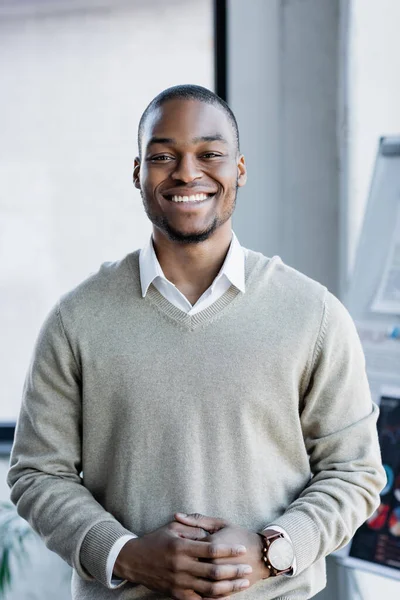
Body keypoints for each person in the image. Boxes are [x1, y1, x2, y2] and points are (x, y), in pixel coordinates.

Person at [8, 84, 385, 600]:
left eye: (210, 154)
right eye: (163, 156)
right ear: (138, 172)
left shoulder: (313, 314)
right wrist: (126, 554)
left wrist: (270, 550)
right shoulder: (77, 319)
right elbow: (37, 473)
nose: (187, 172)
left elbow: (355, 472)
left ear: (240, 170)